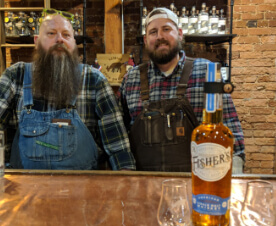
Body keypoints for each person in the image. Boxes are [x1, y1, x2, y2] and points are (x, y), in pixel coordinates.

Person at [0, 9, 135, 171]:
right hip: (26, 191)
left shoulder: (94, 80)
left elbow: (118, 146)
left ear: (73, 43)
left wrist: (127, 185)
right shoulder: (16, 76)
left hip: (82, 190)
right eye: (51, 33)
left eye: (66, 35)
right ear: (36, 42)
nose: (60, 39)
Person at [117, 7, 245, 173]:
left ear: (180, 33)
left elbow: (231, 133)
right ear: (145, 39)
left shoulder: (208, 73)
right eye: (153, 32)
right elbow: (119, 137)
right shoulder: (131, 80)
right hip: (144, 186)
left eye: (166, 29)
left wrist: (232, 179)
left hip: (197, 185)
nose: (160, 36)